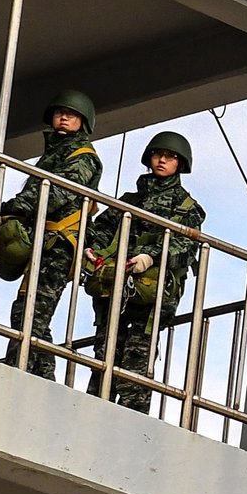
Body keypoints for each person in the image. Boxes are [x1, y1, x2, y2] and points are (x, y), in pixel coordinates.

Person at [83, 130, 205, 412]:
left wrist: (150, 257)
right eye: (158, 154)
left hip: (153, 293)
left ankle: (132, 420)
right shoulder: (130, 200)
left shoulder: (187, 209)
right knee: (104, 355)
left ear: (180, 164)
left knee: (137, 359)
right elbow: (103, 229)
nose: (162, 160)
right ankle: (93, 412)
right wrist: (94, 250)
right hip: (116, 285)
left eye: (170, 157)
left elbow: (185, 247)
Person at [0, 90, 102, 378]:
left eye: (71, 114)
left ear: (83, 121)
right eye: (59, 113)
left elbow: (57, 192)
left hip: (60, 245)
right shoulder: (53, 155)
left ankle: (19, 367)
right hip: (43, 241)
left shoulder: (83, 157)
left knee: (31, 310)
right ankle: (43, 373)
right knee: (32, 312)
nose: (64, 118)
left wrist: (15, 207)